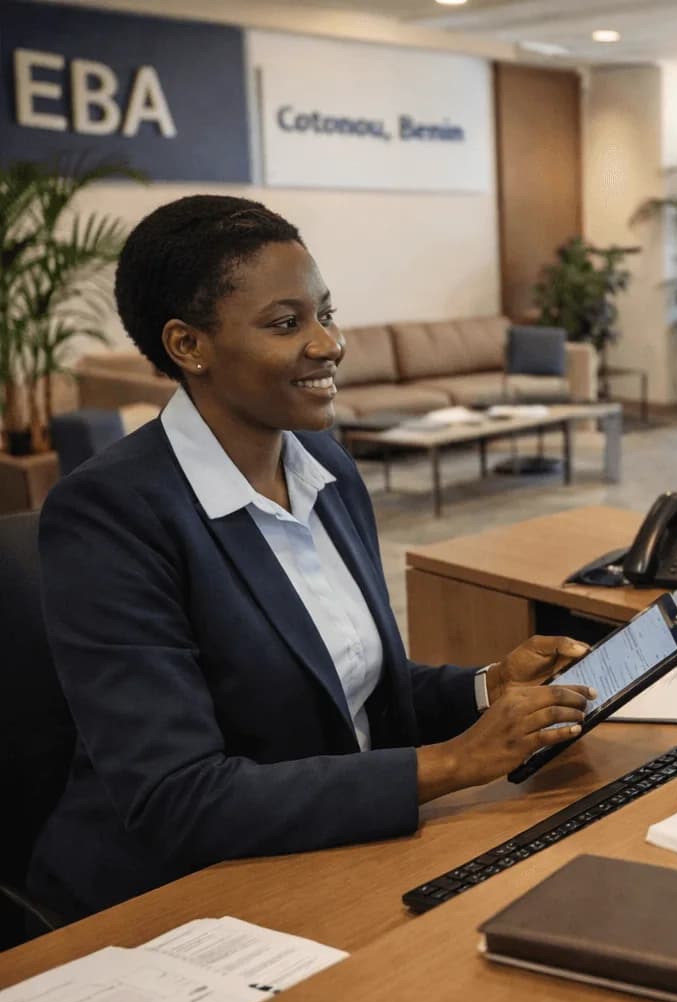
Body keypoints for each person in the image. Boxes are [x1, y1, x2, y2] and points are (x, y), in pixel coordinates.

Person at [30, 195, 598, 921]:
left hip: (330, 850)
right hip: (171, 900)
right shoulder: (111, 516)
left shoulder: (324, 467)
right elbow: (179, 799)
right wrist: (452, 764)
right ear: (187, 345)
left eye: (326, 314)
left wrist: (488, 687)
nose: (328, 344)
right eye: (286, 323)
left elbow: (351, 690)